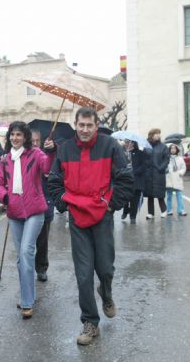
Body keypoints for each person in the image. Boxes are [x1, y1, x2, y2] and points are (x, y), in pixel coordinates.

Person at [48, 107, 133, 346]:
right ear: (75, 124)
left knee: (105, 268)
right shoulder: (64, 149)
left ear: (96, 125)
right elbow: (54, 181)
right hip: (77, 219)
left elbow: (126, 177)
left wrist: (111, 205)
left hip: (102, 216)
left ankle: (106, 294)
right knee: (83, 274)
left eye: (89, 125)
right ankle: (90, 322)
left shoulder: (110, 146)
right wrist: (64, 204)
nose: (85, 129)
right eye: (81, 125)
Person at [0, 122, 55, 319]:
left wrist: (51, 151)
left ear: (25, 137)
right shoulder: (5, 159)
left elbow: (47, 167)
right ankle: (27, 295)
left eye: (19, 135)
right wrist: (5, 197)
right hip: (14, 213)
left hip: (35, 211)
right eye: (12, 135)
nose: (15, 138)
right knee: (21, 258)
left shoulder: (36, 154)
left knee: (27, 252)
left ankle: (27, 302)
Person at [31, 129, 55, 282]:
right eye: (32, 141)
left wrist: (49, 174)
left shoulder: (46, 158)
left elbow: (56, 177)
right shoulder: (21, 158)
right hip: (26, 207)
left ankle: (41, 268)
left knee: (42, 241)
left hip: (44, 205)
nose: (34, 144)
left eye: (37, 141)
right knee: (26, 243)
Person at [144, 128, 169, 219]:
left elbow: (166, 159)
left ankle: (164, 210)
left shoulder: (163, 147)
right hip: (149, 174)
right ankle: (150, 213)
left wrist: (161, 168)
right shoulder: (146, 146)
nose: (158, 135)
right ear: (151, 135)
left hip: (159, 173)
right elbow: (143, 158)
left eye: (159, 133)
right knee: (150, 195)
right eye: (156, 133)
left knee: (159, 194)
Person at [123, 141, 146, 223]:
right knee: (125, 198)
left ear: (134, 144)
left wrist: (135, 171)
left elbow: (143, 166)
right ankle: (125, 210)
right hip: (126, 179)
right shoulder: (124, 153)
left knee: (134, 200)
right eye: (127, 142)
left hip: (137, 180)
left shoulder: (140, 153)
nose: (128, 144)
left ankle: (133, 216)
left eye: (130, 143)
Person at [165, 144, 187, 216]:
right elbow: (164, 166)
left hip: (177, 178)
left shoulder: (180, 158)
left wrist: (180, 173)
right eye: (171, 148)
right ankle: (169, 210)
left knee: (179, 195)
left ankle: (181, 210)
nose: (173, 150)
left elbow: (183, 167)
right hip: (169, 178)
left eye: (174, 148)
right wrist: (166, 170)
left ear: (177, 150)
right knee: (169, 196)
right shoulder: (167, 158)